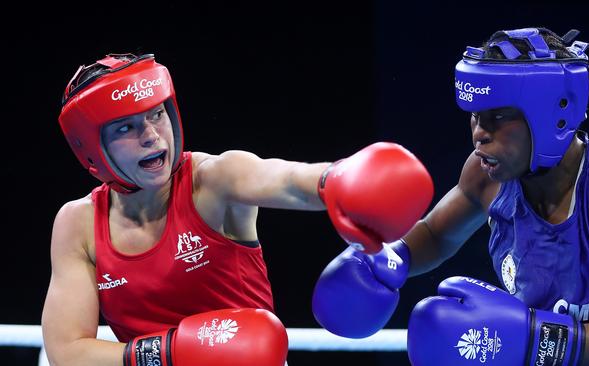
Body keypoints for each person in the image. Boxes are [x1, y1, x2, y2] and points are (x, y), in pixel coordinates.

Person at [41, 53, 434, 366]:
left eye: (156, 115)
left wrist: (338, 180)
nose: (151, 135)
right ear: (92, 149)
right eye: (126, 128)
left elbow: (283, 180)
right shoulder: (79, 224)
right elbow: (68, 352)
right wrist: (172, 352)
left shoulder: (212, 182)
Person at [312, 28, 589, 365]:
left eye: (498, 116)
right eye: (475, 116)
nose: (479, 134)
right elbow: (436, 234)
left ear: (553, 114)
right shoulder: (486, 174)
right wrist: (386, 258)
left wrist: (535, 338)